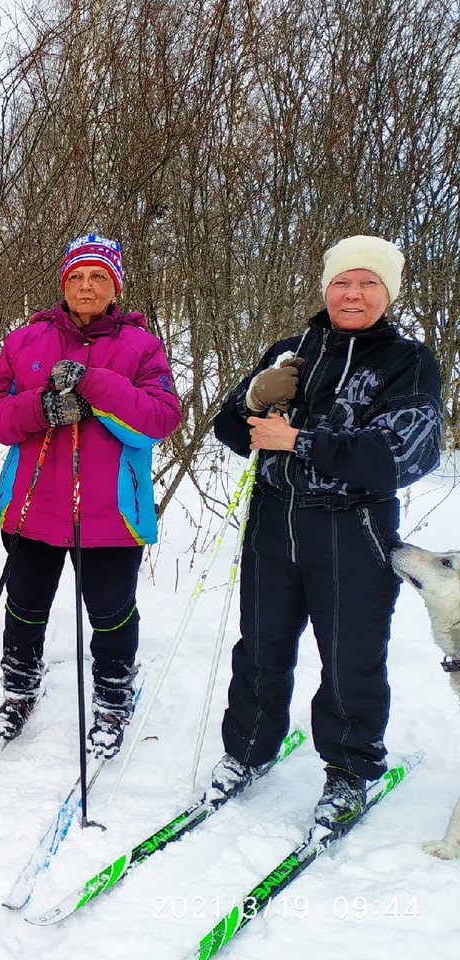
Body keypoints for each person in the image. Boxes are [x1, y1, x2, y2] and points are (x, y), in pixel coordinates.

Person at [209, 235, 442, 831]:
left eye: (368, 283)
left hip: (352, 530)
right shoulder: (291, 350)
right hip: (273, 522)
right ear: (326, 288)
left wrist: (301, 440)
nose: (353, 293)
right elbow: (233, 432)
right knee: (260, 647)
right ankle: (248, 750)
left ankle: (348, 771)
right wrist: (254, 400)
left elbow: (407, 453)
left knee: (350, 658)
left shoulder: (405, 361)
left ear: (387, 292)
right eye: (342, 282)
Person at [0, 235, 181, 755]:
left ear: (115, 286)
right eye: (76, 276)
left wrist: (95, 383)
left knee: (111, 610)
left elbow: (159, 420)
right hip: (33, 507)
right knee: (24, 606)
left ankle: (113, 700)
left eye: (97, 277)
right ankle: (19, 690)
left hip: (111, 514)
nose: (85, 286)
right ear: (62, 285)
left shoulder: (141, 346)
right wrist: (39, 408)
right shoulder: (24, 341)